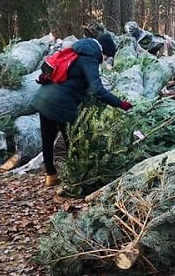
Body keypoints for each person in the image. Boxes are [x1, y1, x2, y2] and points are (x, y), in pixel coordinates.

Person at [30, 33, 132, 187]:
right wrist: (120, 103)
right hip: (61, 103)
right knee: (73, 140)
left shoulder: (77, 49)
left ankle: (51, 175)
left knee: (48, 138)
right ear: (103, 51)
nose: (104, 60)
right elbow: (97, 89)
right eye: (106, 56)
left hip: (44, 96)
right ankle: (77, 176)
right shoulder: (90, 58)